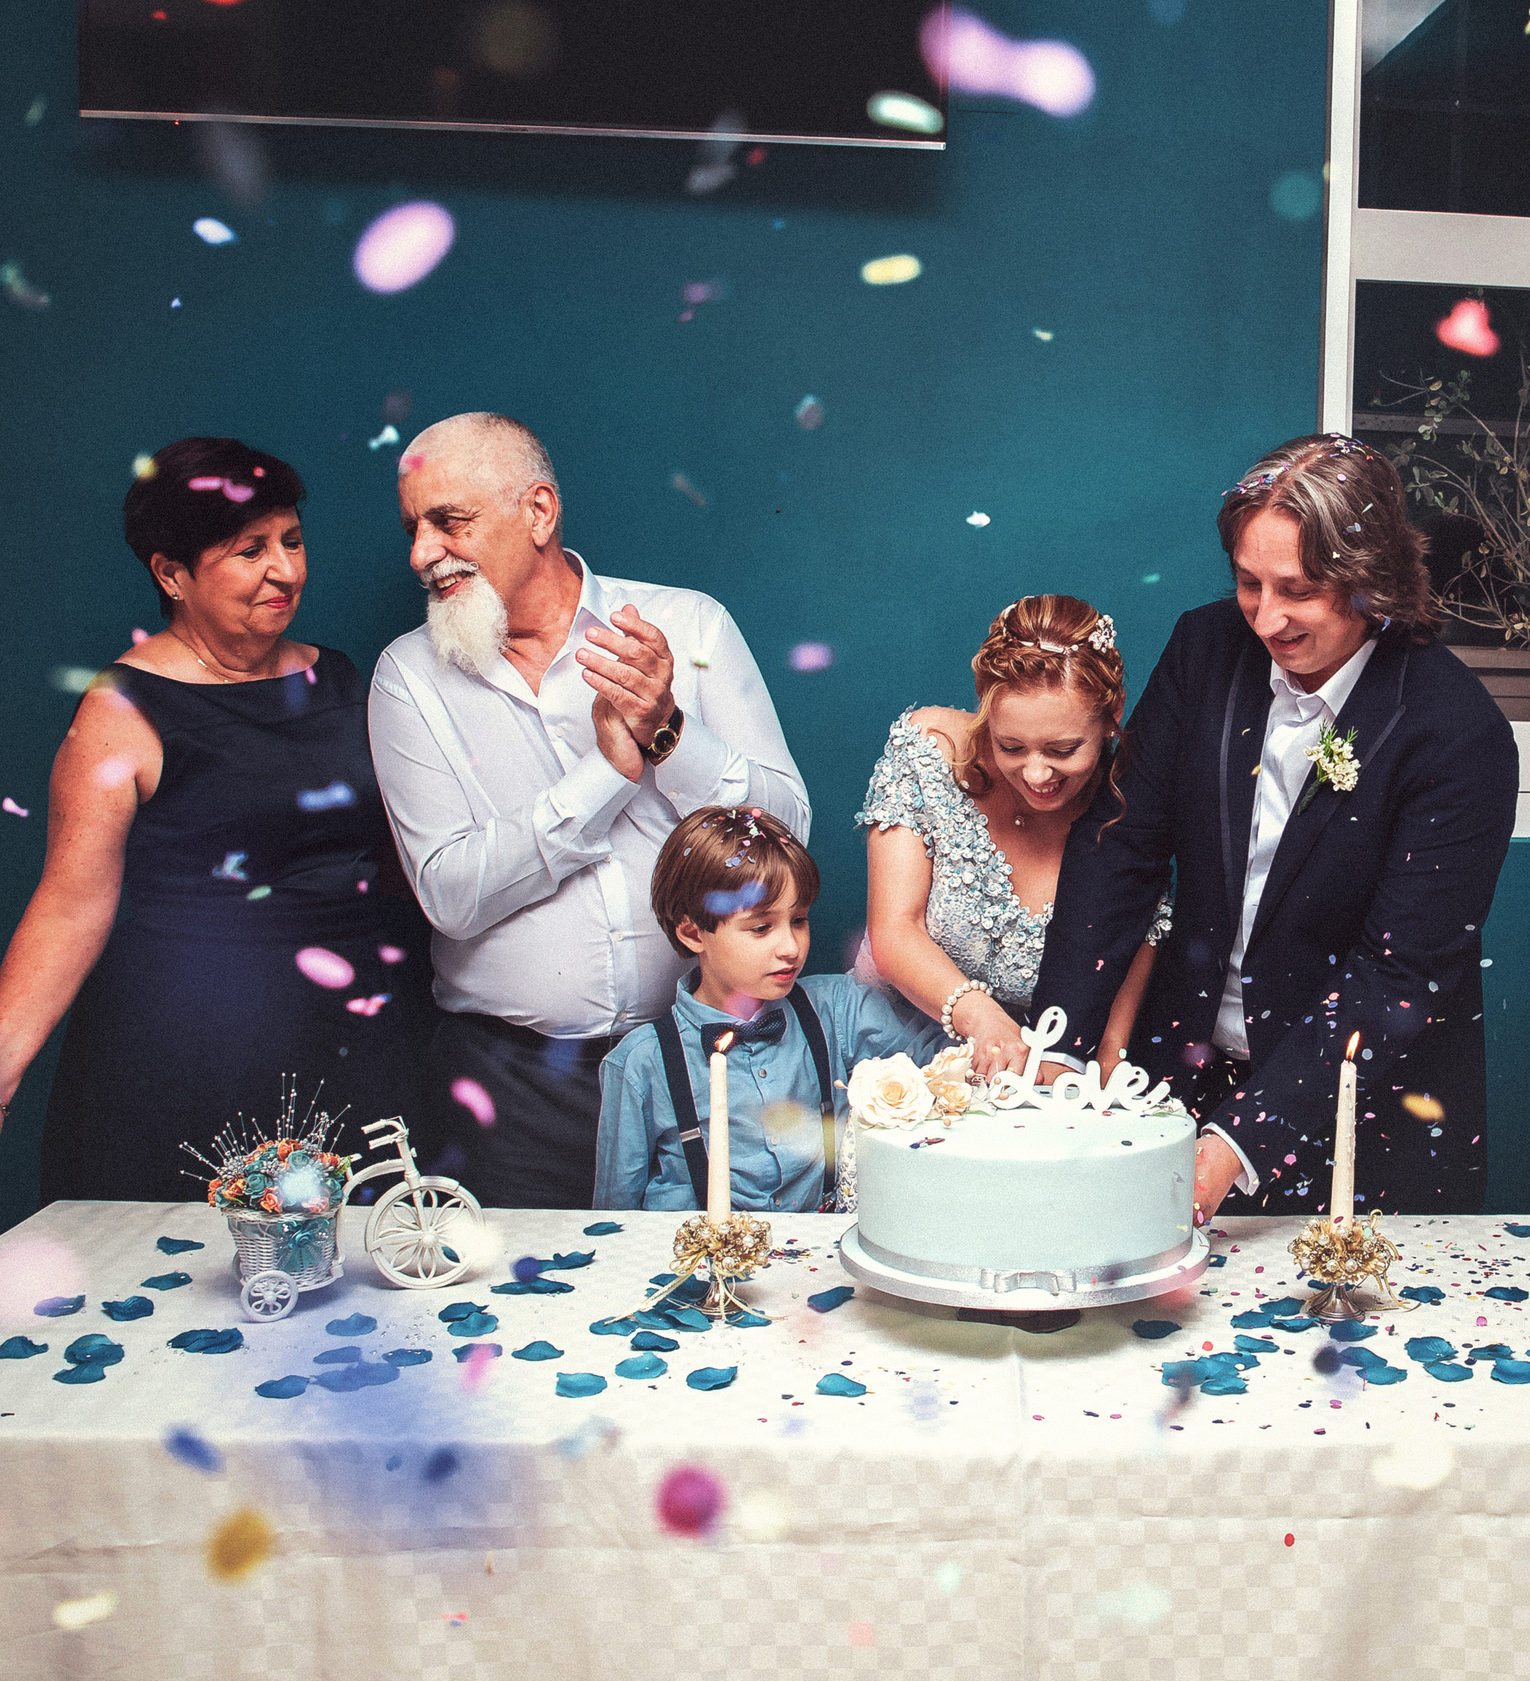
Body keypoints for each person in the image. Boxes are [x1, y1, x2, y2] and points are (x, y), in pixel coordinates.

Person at [0, 438, 419, 1199]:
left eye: (293, 541)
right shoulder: (122, 711)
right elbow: (70, 905)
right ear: (171, 572)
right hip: (188, 1064)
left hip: (355, 1052)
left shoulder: (341, 677)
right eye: (251, 550)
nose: (286, 570)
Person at [1031, 433, 1520, 1217]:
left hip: (1370, 1131)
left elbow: (1396, 979)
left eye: (1299, 589)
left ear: (1375, 581)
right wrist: (1056, 1047)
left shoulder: (1458, 733)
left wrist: (1239, 1141)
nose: (1267, 618)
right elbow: (1120, 844)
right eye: (1249, 583)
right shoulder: (1205, 647)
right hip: (1178, 1080)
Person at [368, 413, 808, 1209]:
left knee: (706, 1309)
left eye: (448, 522)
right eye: (413, 529)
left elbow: (788, 839)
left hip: (697, 1064)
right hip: (508, 1091)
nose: (421, 553)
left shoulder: (689, 625)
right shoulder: (408, 676)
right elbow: (451, 896)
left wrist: (671, 731)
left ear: (538, 512)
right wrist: (606, 774)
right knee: (506, 1324)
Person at [857, 595, 1164, 1081]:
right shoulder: (928, 752)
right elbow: (894, 932)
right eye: (1011, 746)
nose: (1038, 773)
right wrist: (984, 1020)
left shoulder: (1132, 809)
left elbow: (1113, 1032)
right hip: (891, 1052)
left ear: (1112, 715)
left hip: (1040, 1079)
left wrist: (1088, 1078)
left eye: (1064, 749)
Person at [594, 807, 947, 1210]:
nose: (791, 948)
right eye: (761, 928)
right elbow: (613, 1222)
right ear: (693, 933)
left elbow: (951, 1064)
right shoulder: (641, 1063)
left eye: (798, 920)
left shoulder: (841, 1010)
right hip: (698, 1267)